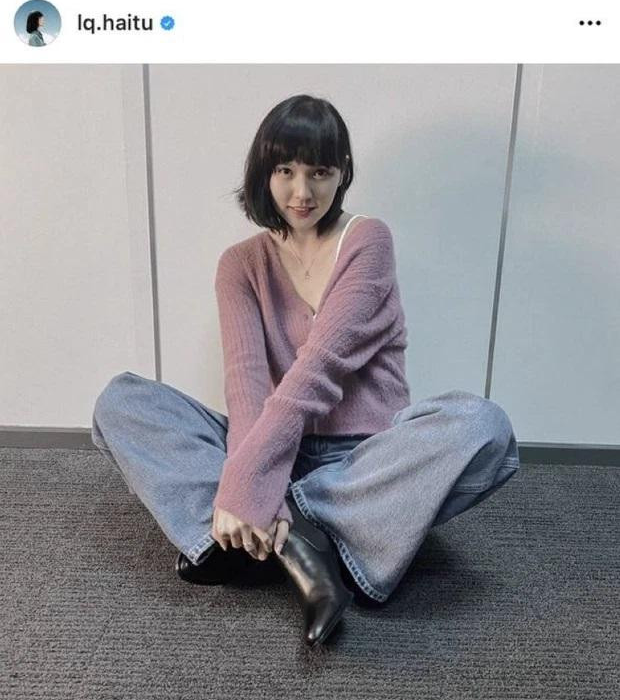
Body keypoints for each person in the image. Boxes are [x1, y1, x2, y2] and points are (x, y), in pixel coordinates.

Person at [91, 94, 520, 647]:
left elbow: (316, 373)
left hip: (362, 461)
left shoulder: (367, 241)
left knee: (482, 426)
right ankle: (311, 539)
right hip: (273, 445)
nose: (302, 192)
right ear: (263, 173)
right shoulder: (240, 264)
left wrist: (247, 490)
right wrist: (253, 476)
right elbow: (246, 383)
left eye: (320, 172)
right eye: (285, 171)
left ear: (342, 173)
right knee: (122, 402)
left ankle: (272, 527)